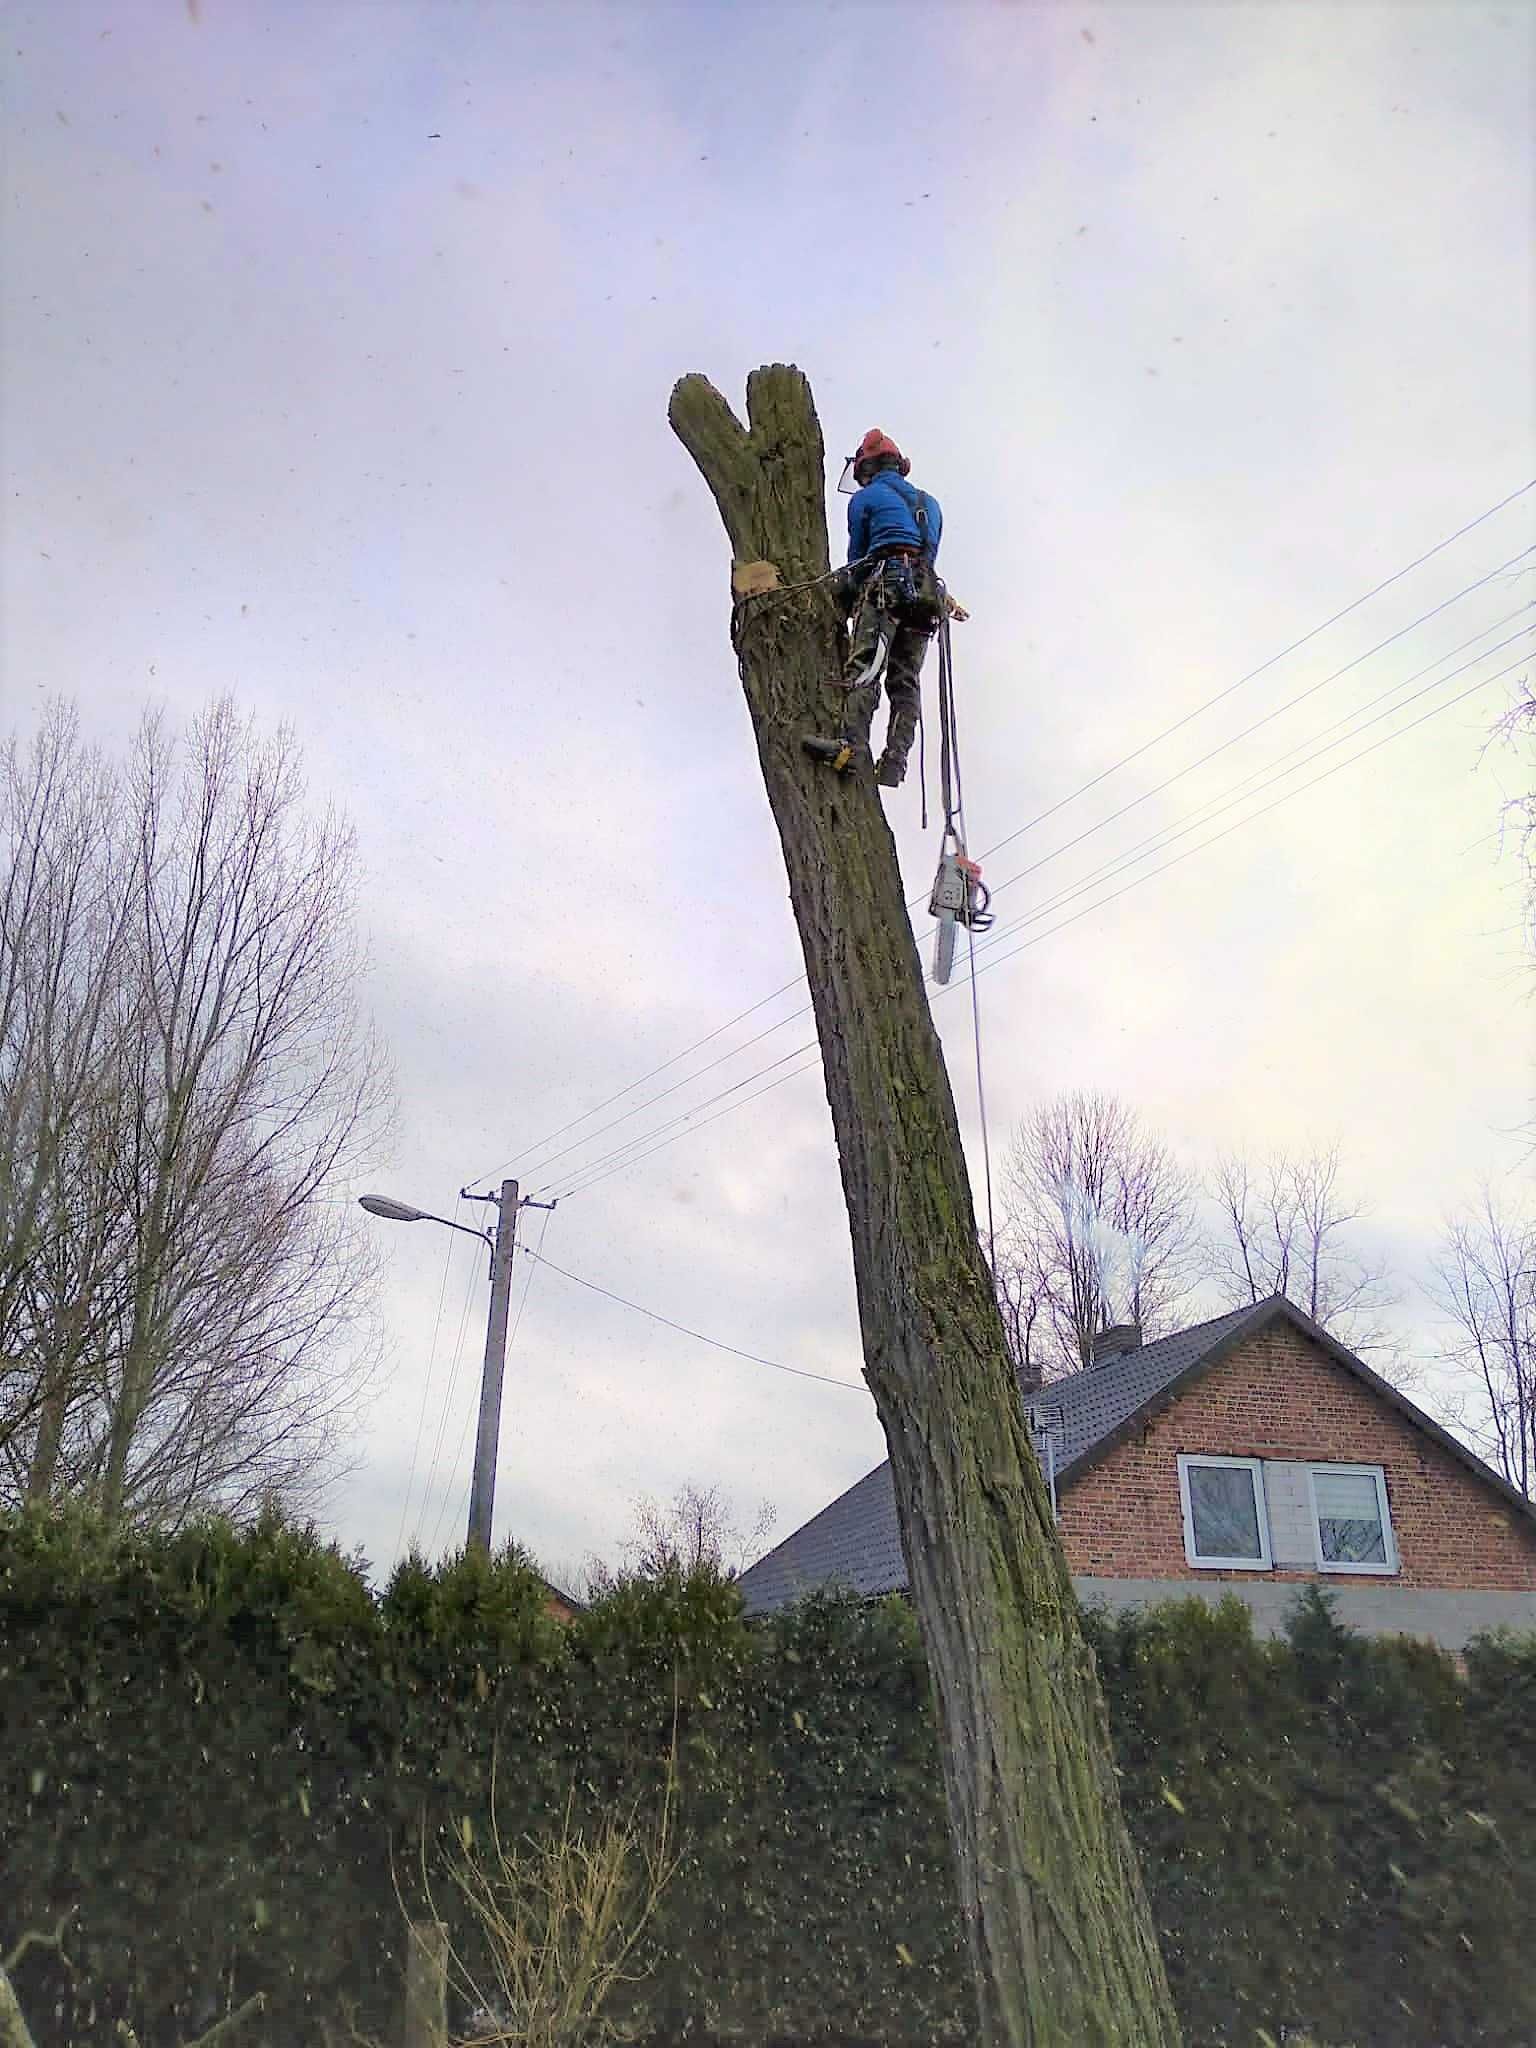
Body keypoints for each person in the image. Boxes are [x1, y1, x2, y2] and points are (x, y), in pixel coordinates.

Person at [838, 429, 955, 788]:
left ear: (867, 468)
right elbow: (928, 553)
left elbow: (858, 558)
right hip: (925, 595)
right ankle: (895, 760)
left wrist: (844, 598)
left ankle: (849, 746)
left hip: (886, 584)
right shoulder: (929, 502)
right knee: (905, 681)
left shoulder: (865, 498)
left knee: (866, 667)